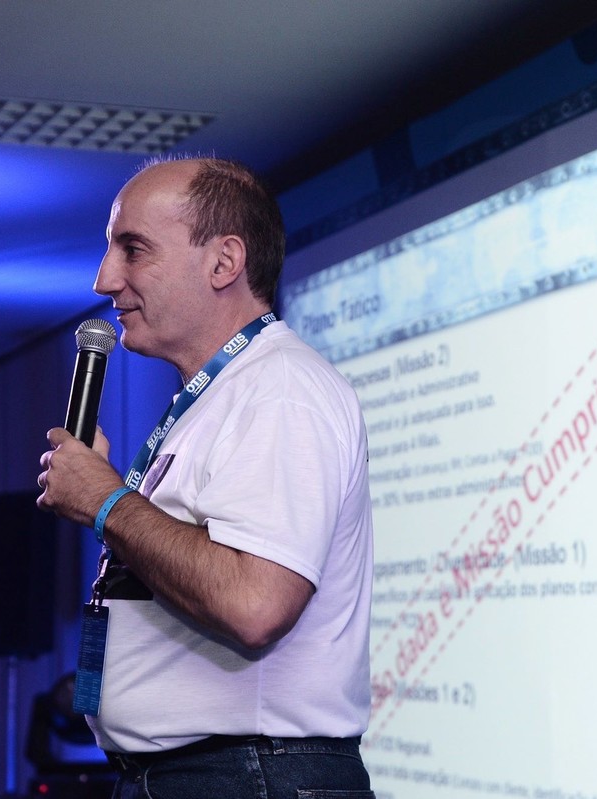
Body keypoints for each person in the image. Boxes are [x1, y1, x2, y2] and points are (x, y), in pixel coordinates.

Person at [35, 156, 375, 799]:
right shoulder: (226, 395)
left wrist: (106, 499)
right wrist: (108, 494)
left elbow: (254, 604)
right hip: (208, 775)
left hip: (249, 776)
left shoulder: (281, 387)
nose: (104, 279)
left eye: (133, 249)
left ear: (224, 263)